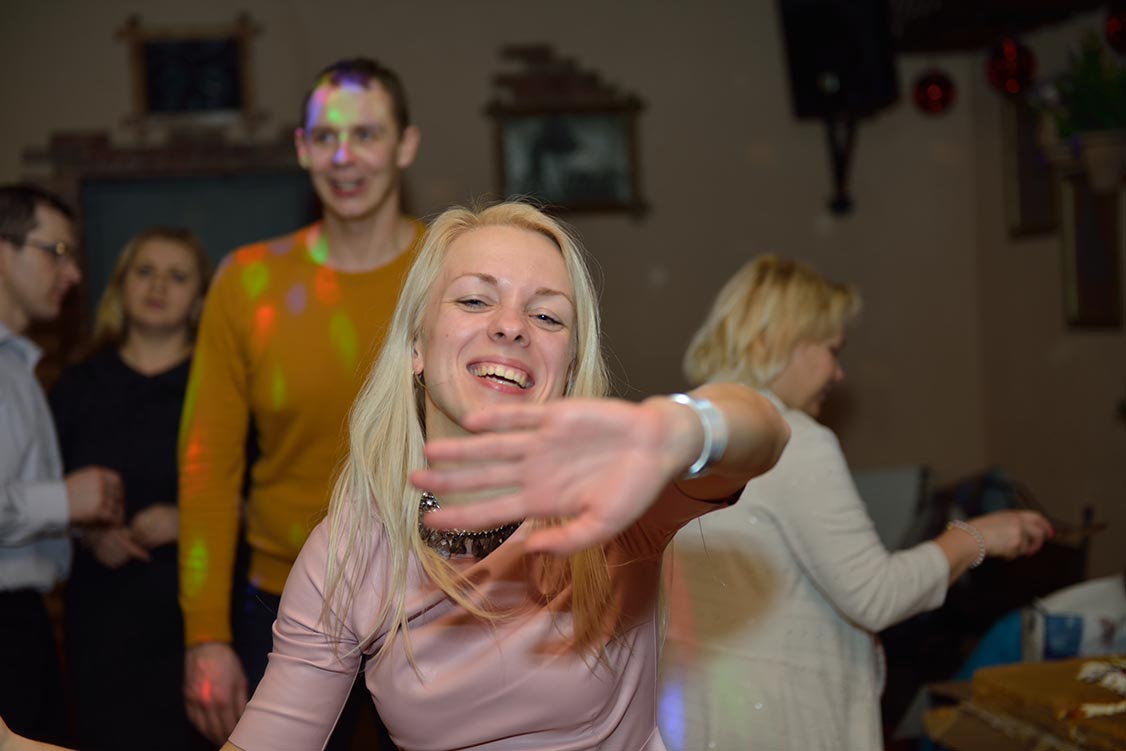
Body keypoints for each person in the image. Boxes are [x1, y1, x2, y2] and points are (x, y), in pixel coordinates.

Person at [178, 200, 787, 751]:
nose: (511, 326)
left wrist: (686, 427)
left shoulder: (614, 500)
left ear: (567, 371)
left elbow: (764, 433)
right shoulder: (353, 550)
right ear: (416, 347)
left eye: (547, 316)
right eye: (474, 300)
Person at [656, 256, 1055, 751]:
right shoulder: (794, 441)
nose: (839, 373)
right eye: (832, 350)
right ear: (785, 340)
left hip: (700, 715)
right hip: (785, 720)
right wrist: (976, 538)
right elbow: (876, 595)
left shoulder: (689, 428)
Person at [178, 57, 423, 745]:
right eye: (325, 137)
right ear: (301, 148)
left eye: (366, 134)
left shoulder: (453, 269)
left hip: (435, 595)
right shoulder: (246, 281)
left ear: (405, 145)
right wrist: (206, 634)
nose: (344, 158)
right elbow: (206, 468)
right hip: (283, 598)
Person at [49, 228, 211, 750]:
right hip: (101, 616)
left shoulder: (217, 387)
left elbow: (258, 495)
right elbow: (43, 495)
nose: (158, 286)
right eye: (145, 272)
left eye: (177, 276)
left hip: (194, 616)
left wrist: (189, 521)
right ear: (120, 286)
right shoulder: (78, 384)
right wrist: (87, 533)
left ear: (199, 301)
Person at [0, 184, 124, 744]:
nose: (72, 274)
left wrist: (79, 527)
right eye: (56, 252)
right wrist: (65, 500)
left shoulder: (18, 362)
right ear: (4, 251)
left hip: (25, 623)